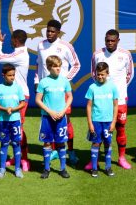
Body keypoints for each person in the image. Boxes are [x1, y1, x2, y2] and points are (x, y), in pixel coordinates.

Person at [35, 19, 81, 165]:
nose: (49, 33)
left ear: (58, 32)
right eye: (47, 30)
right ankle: (54, 151)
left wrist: (64, 80)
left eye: (52, 31)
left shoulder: (66, 46)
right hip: (46, 90)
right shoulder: (41, 45)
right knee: (49, 119)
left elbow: (76, 65)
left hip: (62, 91)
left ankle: (71, 152)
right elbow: (39, 65)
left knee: (65, 121)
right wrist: (37, 82)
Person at [88, 29, 134, 170]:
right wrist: (103, 91)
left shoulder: (126, 55)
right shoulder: (97, 54)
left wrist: (117, 90)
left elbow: (129, 75)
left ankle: (121, 158)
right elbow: (93, 74)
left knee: (120, 127)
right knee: (99, 129)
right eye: (107, 40)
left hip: (119, 99)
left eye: (112, 40)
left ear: (118, 41)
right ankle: (94, 160)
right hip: (101, 101)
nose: (110, 43)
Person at [0, 29, 31, 171]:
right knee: (13, 127)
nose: (10, 41)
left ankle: (25, 159)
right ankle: (18, 157)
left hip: (20, 96)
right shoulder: (20, 53)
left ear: (15, 40)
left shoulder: (19, 54)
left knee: (18, 128)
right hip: (13, 94)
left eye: (11, 39)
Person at [35, 55, 73, 179]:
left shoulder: (64, 81)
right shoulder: (43, 82)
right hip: (47, 117)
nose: (58, 69)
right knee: (47, 143)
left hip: (61, 117)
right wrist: (50, 111)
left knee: (61, 143)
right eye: (55, 66)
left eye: (59, 66)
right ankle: (46, 168)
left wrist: (63, 111)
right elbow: (38, 100)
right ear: (49, 67)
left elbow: (70, 97)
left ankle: (63, 169)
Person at [0, 64, 26, 178]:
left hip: (15, 120)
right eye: (10, 75)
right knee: (4, 143)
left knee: (16, 143)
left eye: (13, 75)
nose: (12, 77)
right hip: (3, 121)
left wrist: (13, 109)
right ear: (3, 75)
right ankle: (2, 169)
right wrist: (4, 109)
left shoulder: (18, 88)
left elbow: (23, 103)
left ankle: (17, 169)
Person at [85, 62, 118, 177]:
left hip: (108, 122)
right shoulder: (92, 87)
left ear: (107, 74)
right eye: (98, 74)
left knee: (108, 144)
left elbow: (115, 106)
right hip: (96, 121)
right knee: (96, 143)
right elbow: (89, 106)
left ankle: (108, 167)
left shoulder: (112, 87)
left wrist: (114, 122)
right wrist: (90, 123)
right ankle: (94, 168)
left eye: (102, 74)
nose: (100, 77)